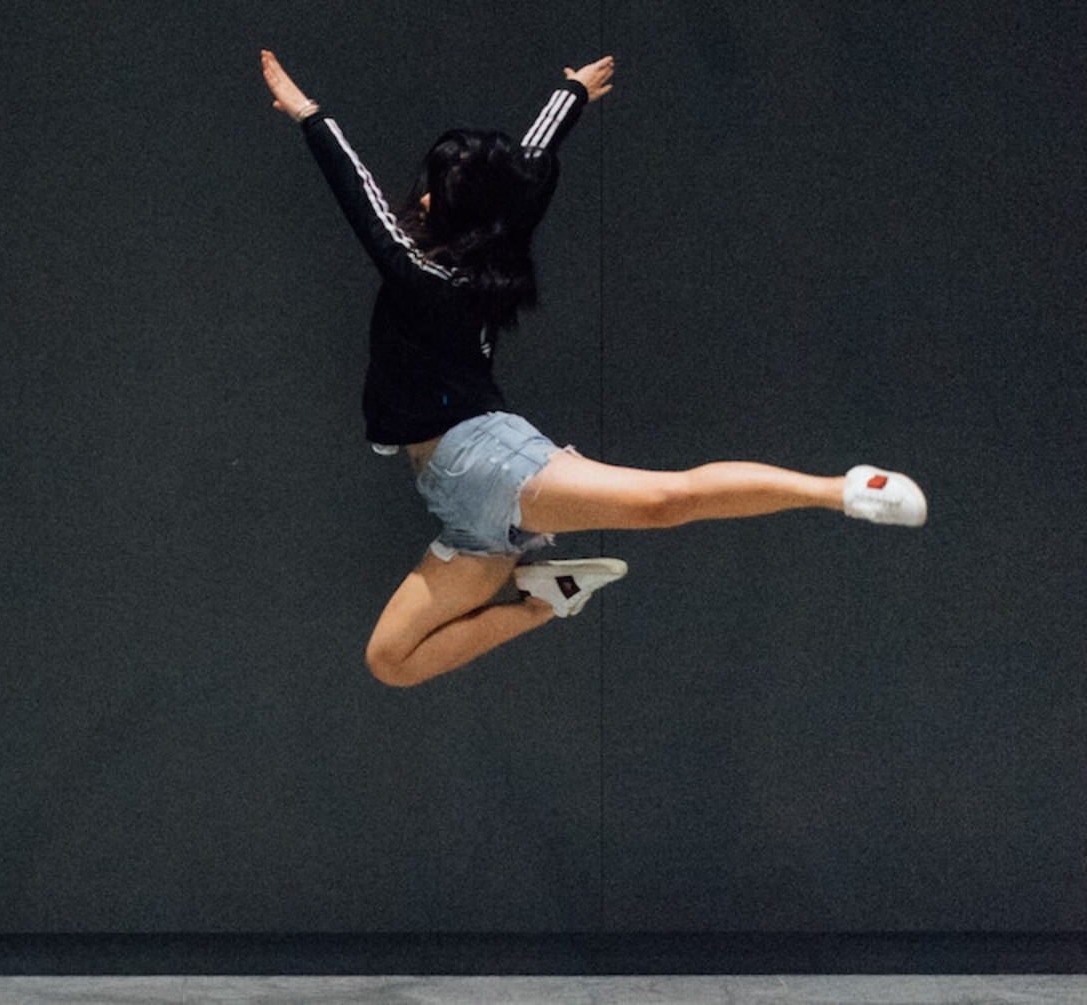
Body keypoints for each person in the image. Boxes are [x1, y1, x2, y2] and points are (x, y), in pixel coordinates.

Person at [259, 50, 926, 688]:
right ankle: (546, 598)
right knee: (392, 659)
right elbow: (528, 164)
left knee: (667, 501)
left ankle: (845, 489)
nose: (420, 200)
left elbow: (362, 200)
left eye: (430, 191)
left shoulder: (425, 275)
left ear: (443, 204)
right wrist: (569, 95)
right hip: (462, 508)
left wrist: (308, 113)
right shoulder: (492, 240)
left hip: (486, 463)